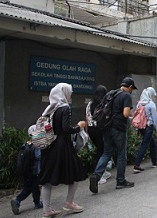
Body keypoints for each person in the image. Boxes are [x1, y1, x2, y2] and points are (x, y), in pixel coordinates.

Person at [39, 83, 87, 217]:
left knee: (47, 177)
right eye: (69, 92)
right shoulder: (65, 108)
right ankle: (69, 202)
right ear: (64, 93)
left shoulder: (50, 109)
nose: (70, 95)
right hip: (62, 146)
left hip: (49, 146)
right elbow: (66, 129)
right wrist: (79, 127)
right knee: (76, 171)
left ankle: (46, 210)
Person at [89, 77, 137, 194]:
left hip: (106, 127)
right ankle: (120, 181)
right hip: (118, 128)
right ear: (129, 87)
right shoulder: (126, 96)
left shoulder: (110, 93)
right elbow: (126, 114)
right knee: (121, 154)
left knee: (106, 153)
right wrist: (130, 113)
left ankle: (96, 175)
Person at [11, 125, 42, 215]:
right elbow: (38, 156)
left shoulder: (26, 144)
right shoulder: (36, 145)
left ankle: (37, 202)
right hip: (35, 170)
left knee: (34, 187)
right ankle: (17, 200)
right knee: (29, 188)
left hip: (26, 171)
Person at [85, 85, 111, 185]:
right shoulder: (104, 104)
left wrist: (87, 132)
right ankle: (99, 175)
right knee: (103, 152)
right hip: (100, 129)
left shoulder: (90, 104)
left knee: (100, 151)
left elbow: (86, 118)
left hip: (91, 130)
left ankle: (102, 172)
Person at [133, 87, 157, 173]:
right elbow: (155, 119)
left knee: (152, 143)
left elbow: (138, 118)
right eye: (153, 95)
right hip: (149, 127)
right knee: (144, 145)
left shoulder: (139, 104)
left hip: (142, 127)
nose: (153, 97)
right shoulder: (151, 104)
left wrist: (137, 129)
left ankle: (154, 162)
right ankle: (136, 165)